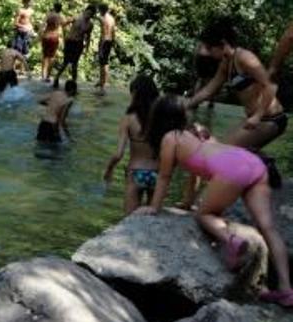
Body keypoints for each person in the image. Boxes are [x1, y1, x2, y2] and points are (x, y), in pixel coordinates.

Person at [135, 95, 292, 307]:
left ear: (158, 118)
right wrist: (187, 202)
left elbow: (164, 177)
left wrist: (154, 207)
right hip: (252, 162)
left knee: (204, 214)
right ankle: (285, 289)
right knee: (268, 228)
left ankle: (231, 240)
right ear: (182, 115)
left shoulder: (170, 138)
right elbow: (194, 173)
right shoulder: (197, 132)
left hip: (232, 170)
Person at [187, 19, 287, 151]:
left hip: (270, 119)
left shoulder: (245, 57)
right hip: (254, 118)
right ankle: (262, 167)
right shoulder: (226, 62)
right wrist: (187, 104)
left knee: (222, 152)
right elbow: (209, 89)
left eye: (210, 48)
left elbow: (271, 86)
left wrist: (257, 116)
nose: (208, 53)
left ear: (222, 43)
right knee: (222, 146)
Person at [103, 75, 161, 214]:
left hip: (136, 173)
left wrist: (109, 169)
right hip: (158, 174)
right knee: (152, 219)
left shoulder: (128, 119)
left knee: (128, 221)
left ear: (134, 94)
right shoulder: (161, 117)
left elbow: (118, 154)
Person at [53, 5, 96, 88]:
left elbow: (88, 37)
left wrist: (87, 47)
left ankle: (74, 82)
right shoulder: (76, 18)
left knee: (75, 64)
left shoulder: (90, 24)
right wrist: (64, 36)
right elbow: (63, 24)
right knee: (65, 63)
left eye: (91, 14)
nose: (89, 15)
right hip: (70, 42)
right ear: (85, 11)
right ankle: (56, 78)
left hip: (78, 44)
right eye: (88, 13)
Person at [95, 4, 116, 95]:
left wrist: (100, 48)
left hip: (104, 41)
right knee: (105, 62)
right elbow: (114, 31)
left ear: (101, 10)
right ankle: (102, 80)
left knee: (102, 62)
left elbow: (104, 33)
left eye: (99, 10)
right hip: (110, 41)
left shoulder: (103, 19)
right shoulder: (112, 18)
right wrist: (113, 42)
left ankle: (103, 85)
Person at [40, 3, 64, 82]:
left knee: (45, 56)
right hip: (54, 37)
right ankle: (48, 76)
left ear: (54, 7)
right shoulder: (60, 16)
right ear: (60, 9)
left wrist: (41, 34)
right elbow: (64, 24)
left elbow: (43, 25)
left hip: (46, 36)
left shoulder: (48, 15)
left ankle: (43, 75)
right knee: (52, 57)